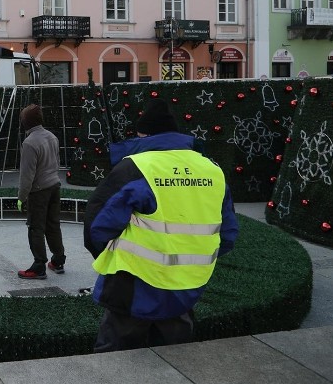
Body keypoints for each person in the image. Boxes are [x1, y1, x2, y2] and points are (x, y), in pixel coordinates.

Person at [83, 97, 239, 352]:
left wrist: (109, 255)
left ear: (144, 134)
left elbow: (98, 226)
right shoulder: (211, 169)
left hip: (133, 284)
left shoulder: (136, 167)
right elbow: (228, 233)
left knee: (114, 361)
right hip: (186, 287)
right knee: (176, 358)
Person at [16, 104, 66, 279]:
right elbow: (57, 163)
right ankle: (58, 260)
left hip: (39, 191)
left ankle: (39, 266)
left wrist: (21, 197)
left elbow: (26, 175)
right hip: (54, 186)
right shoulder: (52, 137)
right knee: (53, 225)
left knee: (36, 228)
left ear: (26, 122)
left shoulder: (30, 143)